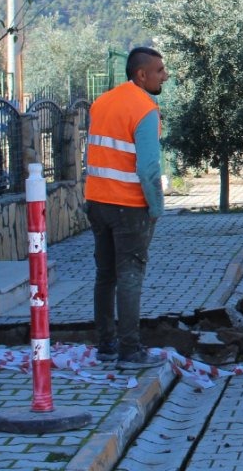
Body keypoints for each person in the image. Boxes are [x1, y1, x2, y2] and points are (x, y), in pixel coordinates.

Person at [87, 46, 169, 370]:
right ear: (142, 74)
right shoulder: (146, 109)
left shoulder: (101, 103)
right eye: (160, 70)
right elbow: (149, 167)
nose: (165, 75)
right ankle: (130, 350)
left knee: (105, 275)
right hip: (129, 205)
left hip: (97, 200)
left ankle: (105, 345)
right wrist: (157, 207)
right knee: (131, 274)